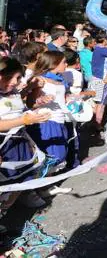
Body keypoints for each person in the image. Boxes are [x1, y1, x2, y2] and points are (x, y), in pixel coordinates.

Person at [0, 58, 51, 220]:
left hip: (20, 143)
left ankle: (4, 211)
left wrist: (34, 94)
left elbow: (19, 107)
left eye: (17, 78)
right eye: (9, 78)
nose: (14, 82)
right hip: (4, 148)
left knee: (22, 180)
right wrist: (24, 121)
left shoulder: (13, 92)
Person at [26, 51, 75, 196]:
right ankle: (39, 187)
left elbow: (62, 97)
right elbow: (30, 102)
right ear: (54, 64)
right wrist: (40, 101)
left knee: (58, 154)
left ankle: (46, 184)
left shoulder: (60, 79)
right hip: (47, 120)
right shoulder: (40, 80)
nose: (66, 64)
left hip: (60, 119)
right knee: (53, 155)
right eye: (64, 62)